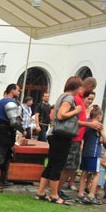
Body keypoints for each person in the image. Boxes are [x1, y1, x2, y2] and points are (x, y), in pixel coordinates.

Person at [35, 76, 83, 205]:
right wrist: (76, 111)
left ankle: (41, 192)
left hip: (54, 134)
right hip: (61, 135)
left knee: (51, 164)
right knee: (58, 164)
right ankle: (54, 195)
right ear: (77, 87)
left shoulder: (61, 96)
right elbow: (61, 115)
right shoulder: (69, 98)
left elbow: (54, 115)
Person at [59, 78, 102, 196]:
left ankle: (58, 188)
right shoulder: (76, 99)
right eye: (92, 89)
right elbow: (71, 120)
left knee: (72, 166)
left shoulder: (80, 99)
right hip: (73, 137)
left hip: (78, 138)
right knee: (69, 166)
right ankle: (57, 189)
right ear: (89, 86)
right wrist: (89, 124)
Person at [0, 83, 24, 191]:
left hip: (1, 130)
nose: (19, 92)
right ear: (12, 90)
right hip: (4, 131)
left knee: (7, 156)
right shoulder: (10, 103)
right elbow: (14, 122)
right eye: (18, 90)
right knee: (0, 157)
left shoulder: (0, 102)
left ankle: (3, 180)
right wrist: (23, 130)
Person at [76, 105, 103, 204]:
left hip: (86, 152)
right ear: (99, 116)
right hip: (95, 152)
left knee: (84, 173)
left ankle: (80, 193)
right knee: (96, 174)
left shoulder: (87, 123)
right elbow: (104, 140)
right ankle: (91, 194)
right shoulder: (98, 126)